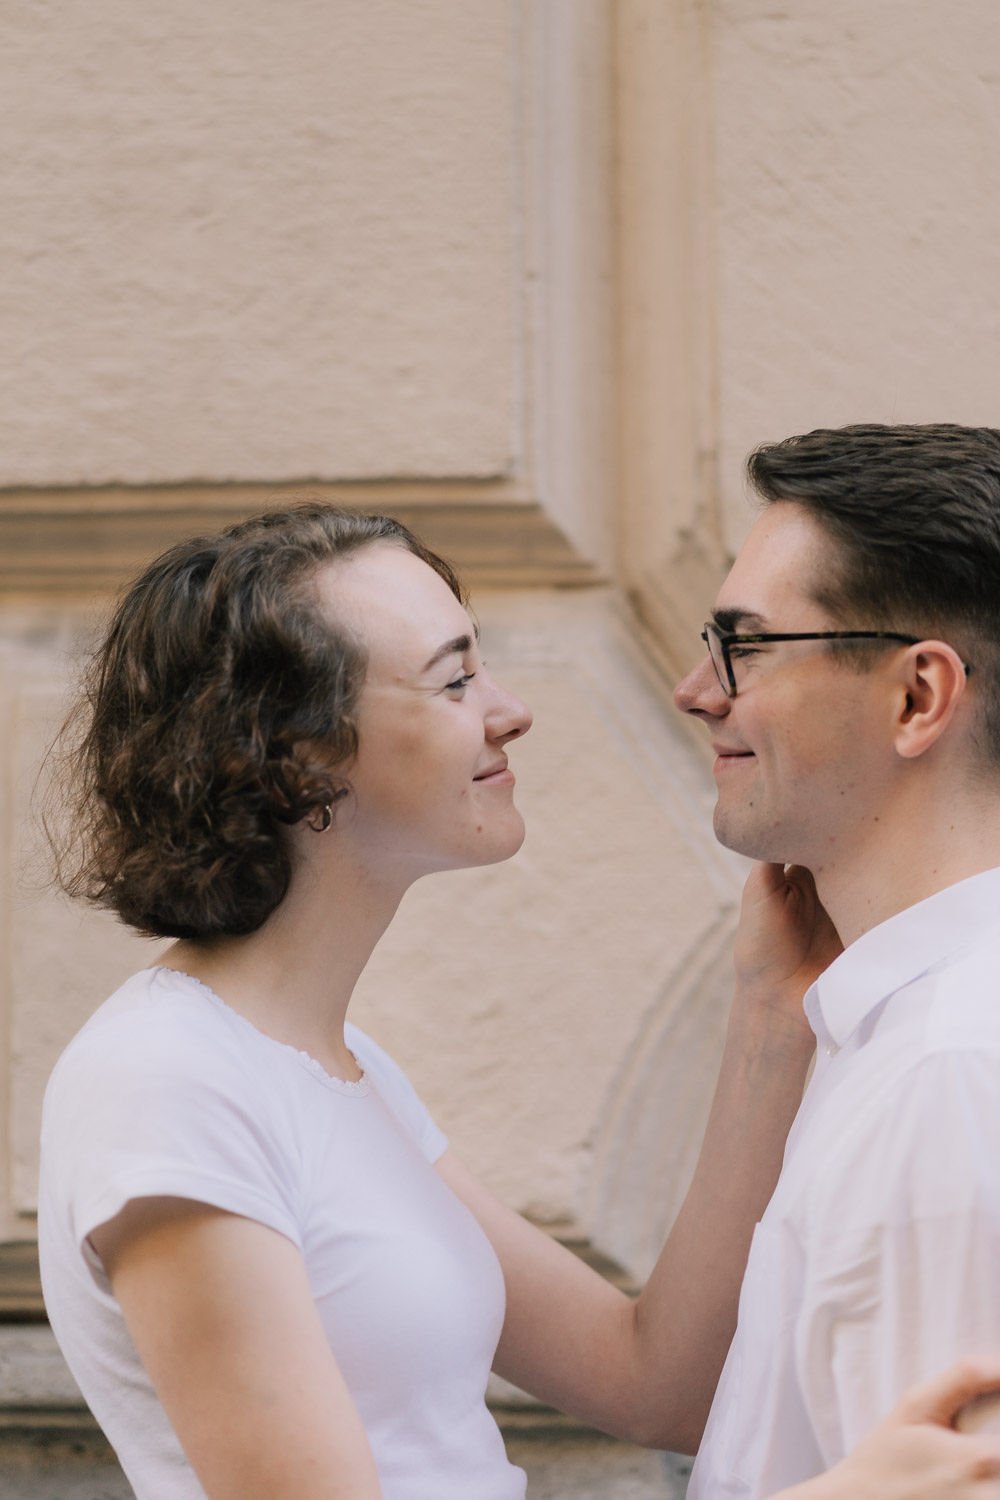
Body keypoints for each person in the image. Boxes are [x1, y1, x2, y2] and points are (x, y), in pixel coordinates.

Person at [36, 501, 1000, 1500]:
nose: (509, 709)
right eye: (454, 679)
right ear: (293, 756)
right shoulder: (167, 1085)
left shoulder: (332, 1069)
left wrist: (767, 1014)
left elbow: (650, 1382)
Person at [675, 423, 1000, 1499]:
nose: (695, 688)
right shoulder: (918, 1034)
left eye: (745, 645)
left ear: (917, 696)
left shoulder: (947, 1070)